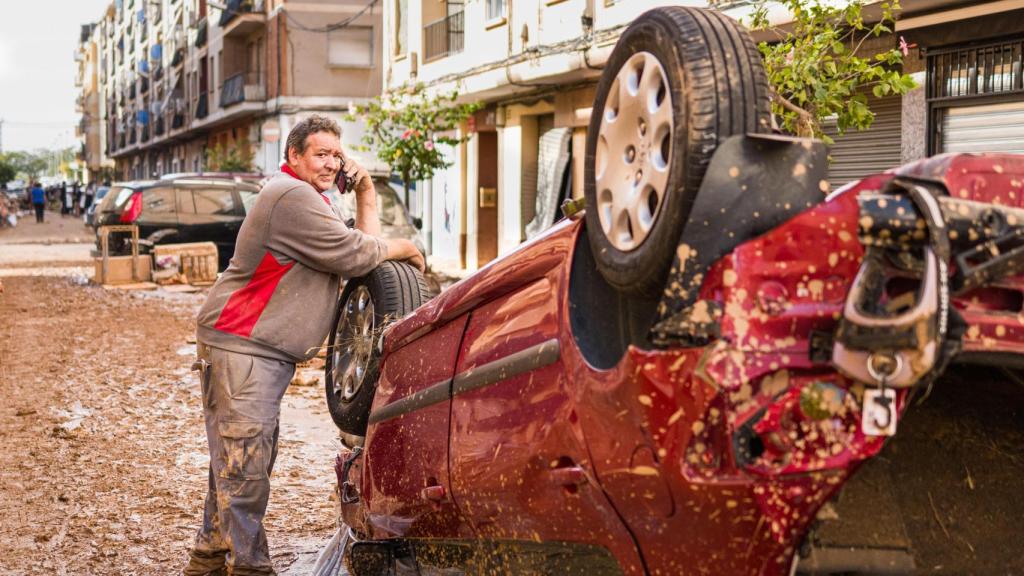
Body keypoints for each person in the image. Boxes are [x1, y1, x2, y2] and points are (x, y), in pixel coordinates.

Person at [184, 114, 424, 576]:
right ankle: (251, 568)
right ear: (293, 156)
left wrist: (366, 191)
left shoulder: (311, 198)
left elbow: (360, 253)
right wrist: (406, 247)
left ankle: (209, 558)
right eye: (321, 153)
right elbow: (357, 253)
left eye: (337, 154)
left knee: (240, 460)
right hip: (243, 343)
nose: (333, 162)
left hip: (256, 348)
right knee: (245, 464)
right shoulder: (290, 195)